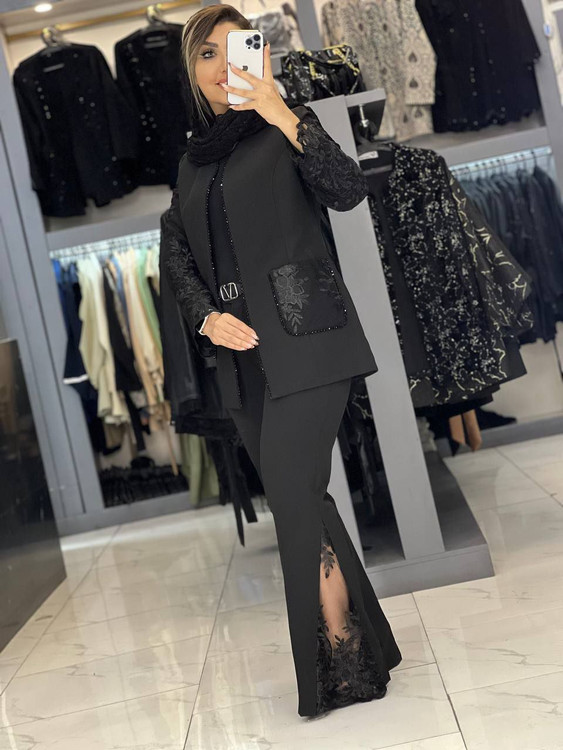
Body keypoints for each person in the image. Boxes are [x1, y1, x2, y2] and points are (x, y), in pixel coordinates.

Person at [160, 3, 402, 718]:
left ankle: (336, 664)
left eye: (230, 48)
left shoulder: (287, 124)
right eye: (204, 54)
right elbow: (175, 252)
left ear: (257, 53)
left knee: (295, 500)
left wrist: (277, 108)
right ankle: (368, 643)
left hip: (308, 338)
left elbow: (346, 191)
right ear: (191, 71)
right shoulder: (190, 162)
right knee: (304, 500)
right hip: (241, 361)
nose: (218, 65)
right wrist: (205, 316)